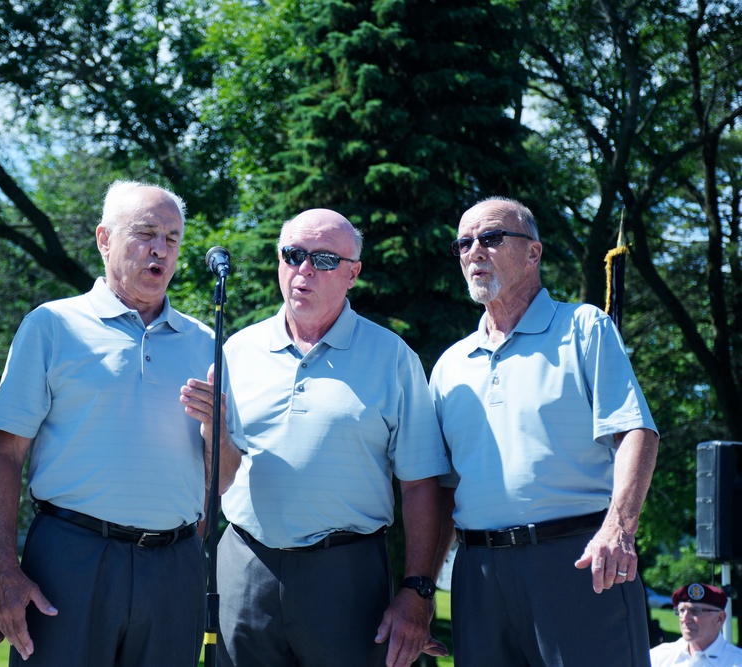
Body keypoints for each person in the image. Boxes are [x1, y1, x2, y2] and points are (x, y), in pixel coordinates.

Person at [0, 179, 242, 667]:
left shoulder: (205, 342)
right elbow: (5, 454)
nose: (160, 250)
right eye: (145, 233)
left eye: (172, 238)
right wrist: (3, 570)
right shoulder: (52, 325)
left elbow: (224, 479)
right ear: (104, 239)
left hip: (173, 567)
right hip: (70, 559)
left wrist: (218, 433)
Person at [429, 196, 660, 666]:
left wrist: (619, 528)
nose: (475, 251)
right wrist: (421, 590)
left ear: (534, 253)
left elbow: (636, 431)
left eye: (491, 238)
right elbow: (440, 490)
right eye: (464, 242)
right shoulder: (449, 365)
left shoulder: (583, 327)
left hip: (577, 562)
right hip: (479, 575)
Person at [217, 208, 451, 667]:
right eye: (294, 255)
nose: (304, 270)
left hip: (345, 576)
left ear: (353, 274)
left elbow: (421, 483)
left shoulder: (393, 358)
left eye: (323, 259)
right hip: (245, 564)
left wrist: (418, 589)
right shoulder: (235, 350)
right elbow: (212, 471)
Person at [650, 583, 742, 666]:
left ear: (719, 619)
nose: (685, 618)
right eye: (681, 610)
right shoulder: (659, 657)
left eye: (695, 611)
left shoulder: (737, 661)